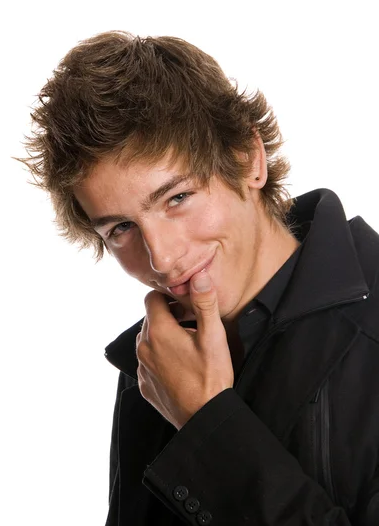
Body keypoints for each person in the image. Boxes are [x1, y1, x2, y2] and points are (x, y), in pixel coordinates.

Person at [20, 31, 379, 525]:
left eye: (177, 198)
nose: (163, 259)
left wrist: (208, 424)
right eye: (121, 228)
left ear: (248, 160)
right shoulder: (156, 360)